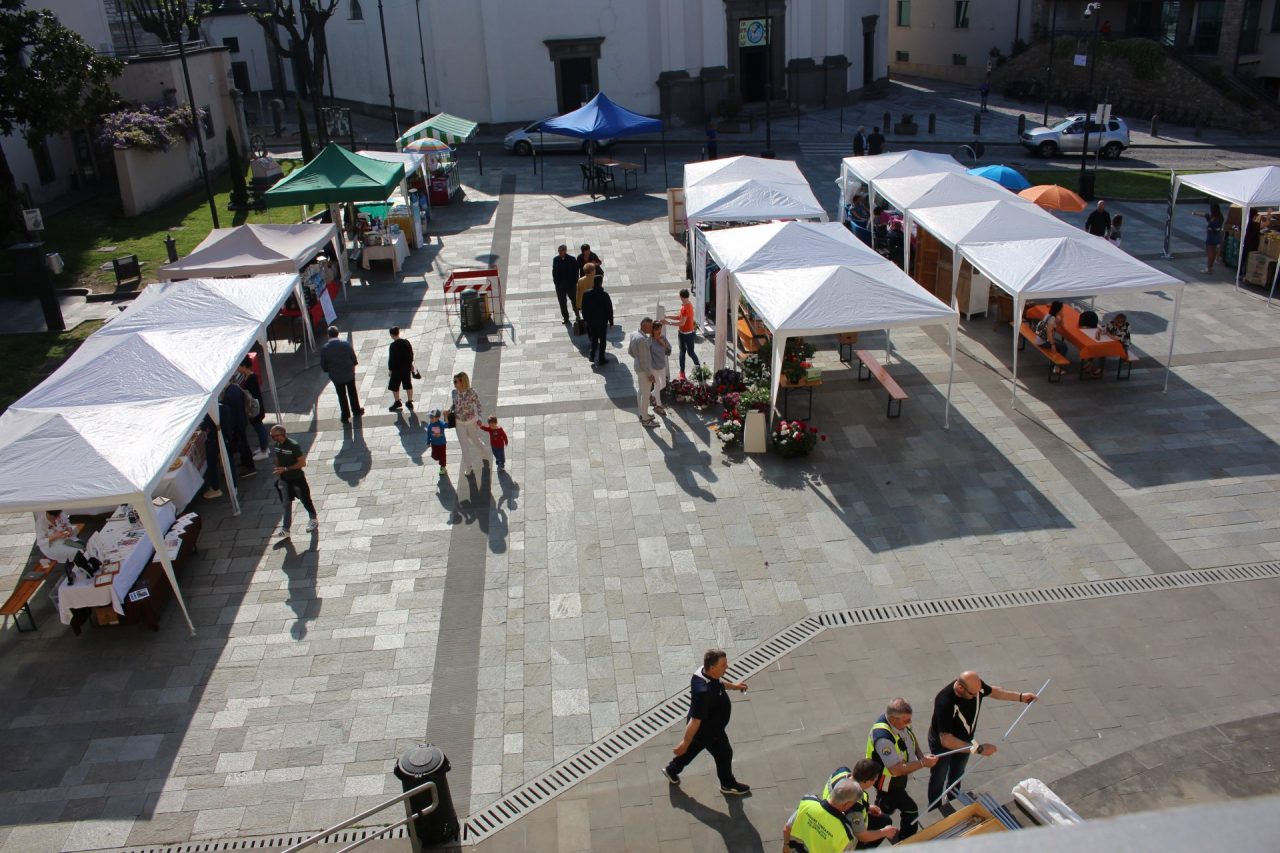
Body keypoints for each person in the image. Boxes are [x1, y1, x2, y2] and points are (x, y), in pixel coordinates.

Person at [927, 671, 1038, 814]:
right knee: (939, 776)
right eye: (973, 694)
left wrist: (1021, 697)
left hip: (965, 739)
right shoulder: (944, 701)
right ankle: (934, 808)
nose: (978, 695)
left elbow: (994, 692)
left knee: (958, 771)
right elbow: (946, 740)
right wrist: (979, 749)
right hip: (943, 746)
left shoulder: (975, 687)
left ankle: (953, 796)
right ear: (960, 688)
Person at [661, 648, 750, 795]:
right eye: (723, 665)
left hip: (706, 729)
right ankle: (727, 784)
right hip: (709, 731)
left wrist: (734, 686)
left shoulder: (703, 672)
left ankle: (671, 770)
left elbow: (719, 683)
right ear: (713, 667)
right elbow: (695, 721)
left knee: (692, 749)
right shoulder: (703, 692)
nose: (727, 667)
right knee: (724, 753)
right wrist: (684, 742)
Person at [782, 762, 897, 852]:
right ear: (846, 804)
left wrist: (786, 846)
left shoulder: (807, 802)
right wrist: (885, 832)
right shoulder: (845, 833)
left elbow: (787, 828)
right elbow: (861, 836)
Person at [865, 698, 936, 842]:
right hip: (888, 780)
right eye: (906, 721)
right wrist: (922, 763)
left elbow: (911, 737)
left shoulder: (900, 723)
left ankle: (872, 824)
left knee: (886, 806)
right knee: (909, 809)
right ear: (892, 718)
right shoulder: (883, 738)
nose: (909, 723)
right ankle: (903, 838)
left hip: (897, 779)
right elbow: (895, 770)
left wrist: (921, 755)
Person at [270, 424, 318, 538]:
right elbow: (277, 457)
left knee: (305, 499)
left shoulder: (293, 446)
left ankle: (313, 519)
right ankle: (285, 529)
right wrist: (278, 467)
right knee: (286, 504)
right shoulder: (276, 445)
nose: (272, 438)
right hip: (284, 479)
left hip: (297, 478)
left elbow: (302, 463)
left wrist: (286, 468)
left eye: (273, 436)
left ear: (281, 435)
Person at [447, 372, 492, 476]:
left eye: (456, 381)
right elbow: (454, 405)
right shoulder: (454, 392)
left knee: (475, 440)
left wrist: (479, 418)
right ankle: (468, 466)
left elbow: (479, 405)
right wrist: (449, 410)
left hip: (471, 422)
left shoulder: (472, 392)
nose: (454, 384)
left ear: (462, 381)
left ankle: (484, 450)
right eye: (454, 381)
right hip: (459, 423)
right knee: (464, 446)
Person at [321, 325, 363, 423]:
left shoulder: (325, 348)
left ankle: (345, 415)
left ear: (328, 335)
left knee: (341, 395)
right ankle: (356, 410)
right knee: (352, 392)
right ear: (338, 333)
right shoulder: (346, 344)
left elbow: (324, 364)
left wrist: (328, 370)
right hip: (348, 373)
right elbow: (353, 357)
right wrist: (353, 365)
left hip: (336, 376)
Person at [236, 357, 271, 459]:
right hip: (255, 407)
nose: (238, 369)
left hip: (254, 409)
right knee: (260, 428)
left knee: (259, 429)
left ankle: (264, 451)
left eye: (239, 366)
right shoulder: (249, 376)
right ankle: (264, 447)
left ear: (244, 367)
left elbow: (250, 395)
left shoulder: (251, 378)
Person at [220, 382, 255, 477]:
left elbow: (230, 412)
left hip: (237, 424)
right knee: (243, 444)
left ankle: (250, 467)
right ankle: (245, 463)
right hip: (241, 421)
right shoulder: (234, 388)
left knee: (243, 445)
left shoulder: (230, 394)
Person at [665, 289, 701, 379]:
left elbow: (682, 323)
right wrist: (668, 316)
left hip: (687, 334)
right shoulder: (688, 304)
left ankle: (697, 368)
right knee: (683, 352)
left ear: (680, 296)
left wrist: (668, 323)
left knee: (689, 352)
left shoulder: (685, 308)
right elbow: (679, 317)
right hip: (683, 333)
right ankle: (683, 371)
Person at [580, 276, 614, 366]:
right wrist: (611, 322)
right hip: (602, 322)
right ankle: (601, 358)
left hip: (591, 322)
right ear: (601, 283)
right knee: (602, 340)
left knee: (594, 338)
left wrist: (586, 320)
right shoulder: (604, 295)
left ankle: (592, 355)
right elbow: (609, 309)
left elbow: (584, 309)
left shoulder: (586, 294)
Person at [628, 318, 657, 427]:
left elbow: (630, 351)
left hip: (638, 367)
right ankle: (645, 419)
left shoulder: (634, 334)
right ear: (644, 326)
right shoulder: (642, 340)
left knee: (641, 391)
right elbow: (644, 361)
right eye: (650, 326)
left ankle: (642, 413)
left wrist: (637, 359)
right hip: (644, 371)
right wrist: (650, 374)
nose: (652, 328)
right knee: (646, 394)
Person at [1032, 300, 1068, 377]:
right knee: (1064, 347)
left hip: (1040, 338)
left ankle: (1054, 362)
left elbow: (1061, 325)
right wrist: (1052, 344)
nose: (1062, 310)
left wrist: (1062, 316)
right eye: (1061, 309)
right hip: (1043, 341)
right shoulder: (1052, 319)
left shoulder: (1049, 315)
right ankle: (1057, 368)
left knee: (1061, 345)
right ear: (1058, 309)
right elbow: (1049, 333)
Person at [387, 326, 415, 412]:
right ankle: (410, 401)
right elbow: (411, 354)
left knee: (394, 386)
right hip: (406, 369)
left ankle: (397, 401)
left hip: (396, 370)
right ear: (398, 332)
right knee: (408, 384)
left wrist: (390, 370)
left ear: (391, 335)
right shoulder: (406, 342)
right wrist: (411, 364)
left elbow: (391, 359)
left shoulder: (393, 346)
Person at [649, 320, 672, 417]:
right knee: (657, 385)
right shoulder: (649, 341)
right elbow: (647, 357)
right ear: (653, 330)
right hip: (653, 368)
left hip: (662, 366)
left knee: (663, 385)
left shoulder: (663, 338)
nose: (659, 332)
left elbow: (669, 351)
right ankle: (659, 405)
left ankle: (651, 395)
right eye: (657, 330)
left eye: (660, 330)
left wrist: (663, 343)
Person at [552, 244, 580, 324]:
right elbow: (554, 272)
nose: (560, 252)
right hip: (560, 286)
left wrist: (575, 282)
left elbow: (576, 271)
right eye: (559, 251)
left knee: (574, 301)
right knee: (562, 302)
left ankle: (577, 315)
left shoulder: (572, 259)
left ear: (565, 251)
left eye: (561, 250)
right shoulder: (556, 259)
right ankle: (565, 317)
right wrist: (556, 283)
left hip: (571, 285)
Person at [1194, 202, 1224, 274]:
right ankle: (1210, 267)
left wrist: (1209, 229)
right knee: (1213, 252)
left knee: (1210, 252)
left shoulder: (1214, 219)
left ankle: (1209, 268)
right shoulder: (1219, 217)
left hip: (1211, 237)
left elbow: (1213, 227)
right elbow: (1205, 215)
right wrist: (1196, 213)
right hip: (1216, 237)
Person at [426, 409, 448, 476]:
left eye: (432, 417)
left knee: (442, 456)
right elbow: (428, 434)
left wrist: (445, 416)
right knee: (434, 456)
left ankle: (443, 467)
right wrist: (428, 442)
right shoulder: (430, 425)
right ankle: (440, 460)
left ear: (438, 418)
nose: (431, 418)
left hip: (442, 444)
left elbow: (446, 425)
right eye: (430, 417)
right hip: (434, 443)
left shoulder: (440, 423)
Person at [575, 262, 597, 330]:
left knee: (586, 317)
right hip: (593, 303)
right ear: (591, 271)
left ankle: (588, 328)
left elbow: (578, 293)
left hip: (583, 303)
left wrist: (577, 305)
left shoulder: (580, 280)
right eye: (594, 269)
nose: (595, 270)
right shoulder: (595, 279)